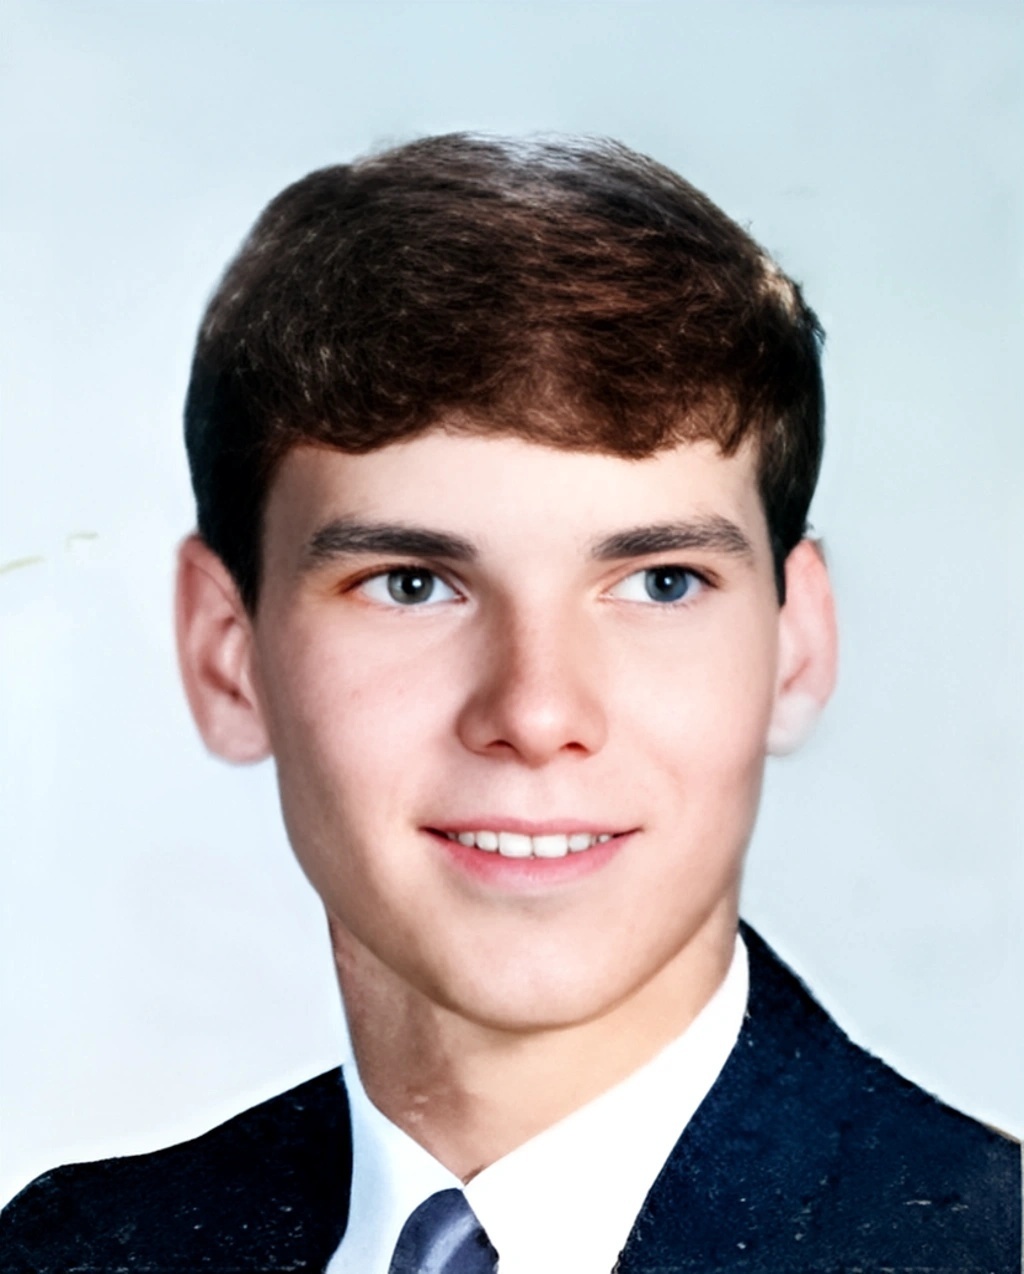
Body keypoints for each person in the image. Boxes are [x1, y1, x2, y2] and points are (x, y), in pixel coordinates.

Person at [0, 133, 1018, 1273]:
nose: (535, 714)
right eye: (412, 584)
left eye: (660, 582)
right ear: (228, 654)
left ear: (795, 644)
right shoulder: (69, 1250)